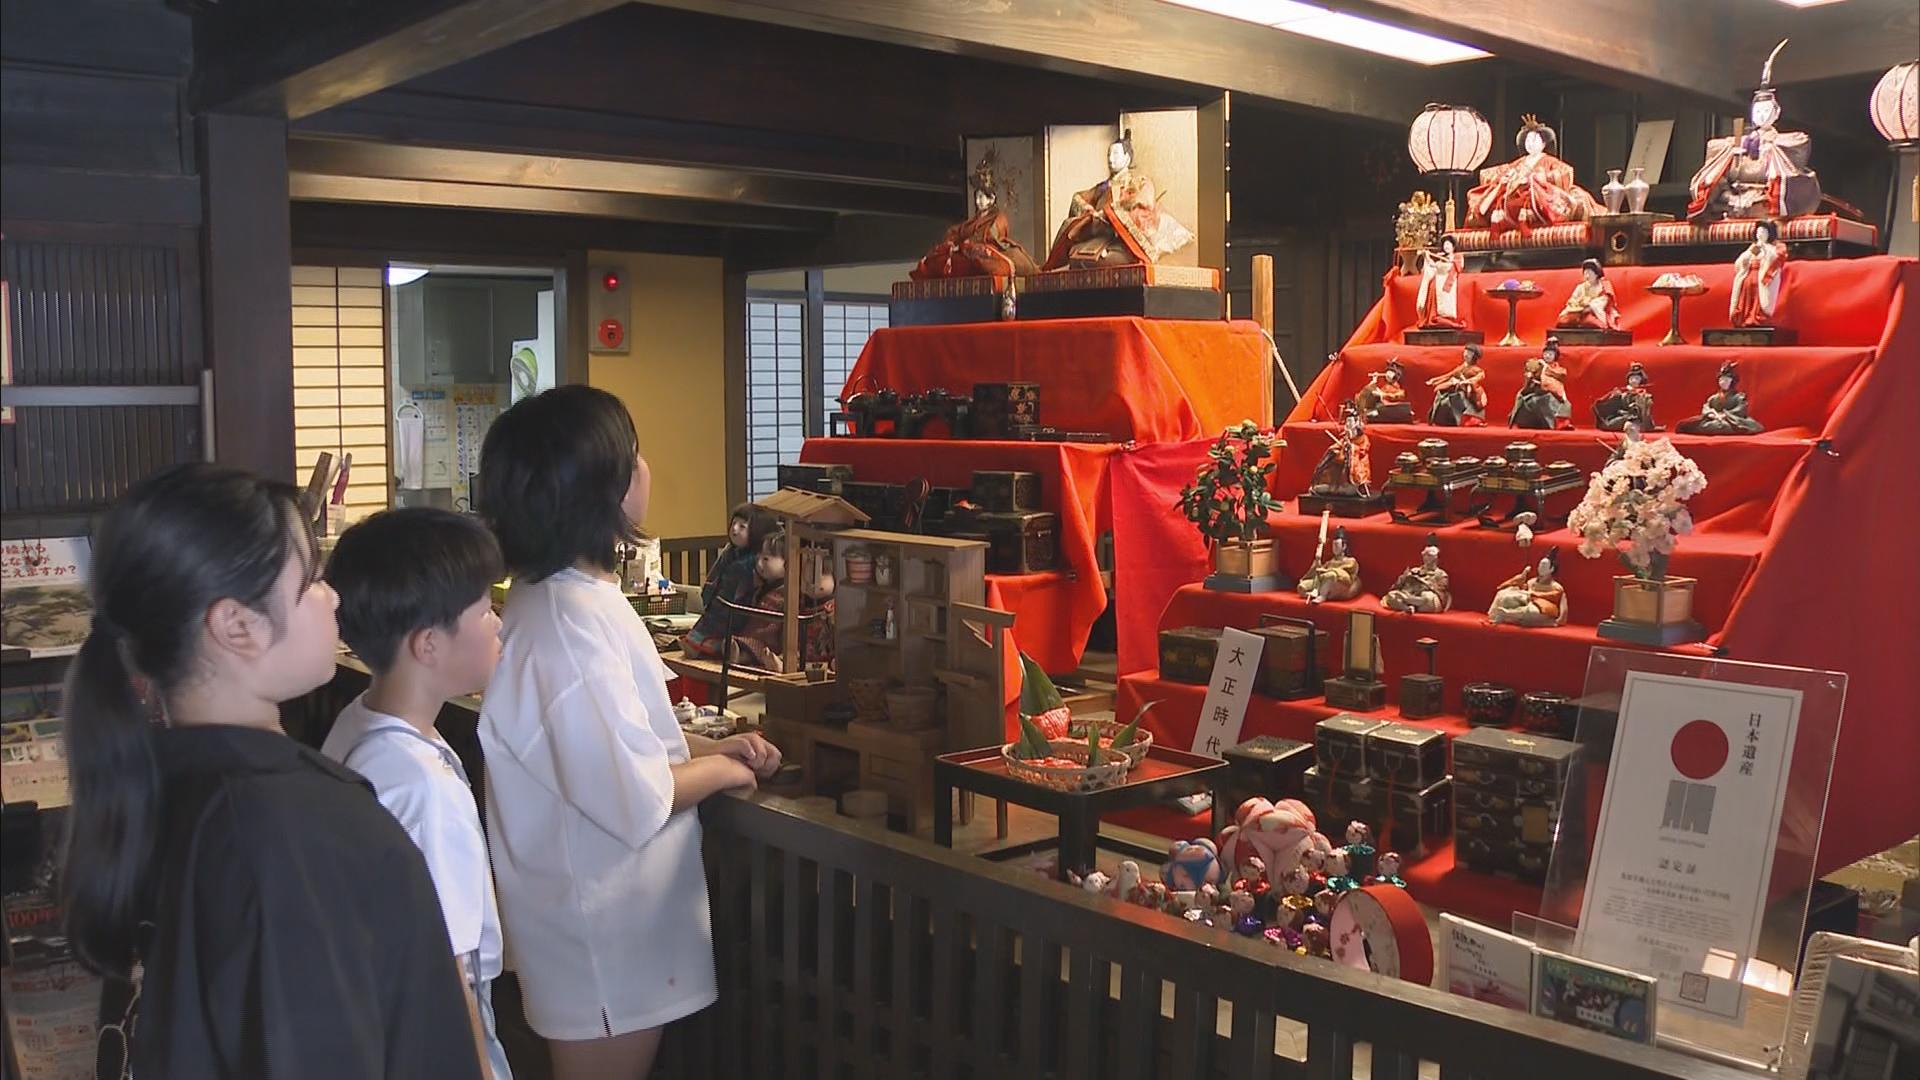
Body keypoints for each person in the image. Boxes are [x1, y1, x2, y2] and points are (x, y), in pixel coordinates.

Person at [60, 463, 482, 1079]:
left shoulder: (161, 782)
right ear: (237, 626)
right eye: (311, 581)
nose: (333, 596)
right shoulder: (292, 830)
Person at [475, 385, 783, 1080]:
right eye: (632, 455)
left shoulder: (565, 595)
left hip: (601, 916)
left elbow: (624, 737)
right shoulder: (567, 626)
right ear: (599, 490)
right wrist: (726, 769)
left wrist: (708, 746)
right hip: (598, 927)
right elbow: (634, 792)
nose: (645, 467)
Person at [321, 508, 515, 1080]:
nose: (498, 624)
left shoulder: (358, 720)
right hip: (435, 1032)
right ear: (428, 643)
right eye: (484, 610)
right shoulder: (421, 785)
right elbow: (449, 967)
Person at [1042, 129, 1194, 270]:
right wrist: (1090, 212)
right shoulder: (1102, 187)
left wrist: (1114, 211)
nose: (1110, 158)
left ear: (1127, 158)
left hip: (1121, 235)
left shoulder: (1136, 182)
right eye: (1109, 154)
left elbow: (1145, 200)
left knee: (1111, 256)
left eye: (1115, 154)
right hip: (1099, 232)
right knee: (1076, 250)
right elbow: (1080, 197)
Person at [911, 149, 1039, 280]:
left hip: (987, 251)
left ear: (991, 199)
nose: (978, 201)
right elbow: (958, 231)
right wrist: (953, 242)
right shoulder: (974, 220)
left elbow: (992, 236)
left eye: (981, 197)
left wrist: (971, 244)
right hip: (967, 251)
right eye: (976, 197)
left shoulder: (998, 217)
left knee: (985, 259)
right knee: (938, 259)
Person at [1465, 116, 1603, 234]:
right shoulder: (1519, 163)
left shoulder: (1549, 161)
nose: (1530, 143)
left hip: (1539, 194)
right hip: (1516, 194)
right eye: (1528, 140)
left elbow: (1565, 173)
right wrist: (1506, 178)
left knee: (1573, 199)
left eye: (1535, 140)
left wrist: (1540, 178)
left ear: (1543, 143)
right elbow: (1497, 172)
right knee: (1494, 199)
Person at [680, 500, 777, 662]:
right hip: (720, 600)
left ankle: (712, 648)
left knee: (724, 630)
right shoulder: (729, 552)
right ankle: (699, 645)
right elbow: (714, 577)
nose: (734, 529)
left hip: (737, 605)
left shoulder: (752, 560)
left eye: (742, 526)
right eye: (733, 523)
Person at [1730, 220, 1788, 327]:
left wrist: (1765, 249)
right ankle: (1746, 316)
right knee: (1746, 295)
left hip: (1761, 277)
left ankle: (1757, 317)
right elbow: (1742, 260)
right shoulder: (1755, 248)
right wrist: (1751, 253)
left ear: (1769, 234)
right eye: (1758, 232)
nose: (1760, 234)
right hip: (1750, 275)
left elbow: (1773, 259)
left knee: (1760, 297)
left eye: (1763, 232)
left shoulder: (1772, 248)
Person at [1426, 343, 1488, 426]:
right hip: (1457, 386)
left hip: (1468, 390)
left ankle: (1470, 417)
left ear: (1475, 357)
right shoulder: (1460, 368)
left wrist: (1467, 381)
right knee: (1442, 393)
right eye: (1465, 352)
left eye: (1469, 353)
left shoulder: (1477, 370)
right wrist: (1435, 380)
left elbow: (1479, 377)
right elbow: (1449, 375)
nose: (1466, 355)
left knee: (1467, 396)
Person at [1556, 259, 1622, 330]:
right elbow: (1573, 299)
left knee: (1590, 322)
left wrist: (1589, 307)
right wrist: (1576, 304)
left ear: (1597, 274)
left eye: (1590, 273)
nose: (1587, 276)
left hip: (1594, 313)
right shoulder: (1581, 287)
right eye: (1585, 273)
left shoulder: (1603, 286)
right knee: (1563, 320)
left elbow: (1601, 303)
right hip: (1578, 312)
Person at [1415, 235, 1465, 328]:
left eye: (1448, 244)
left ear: (1453, 246)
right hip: (1439, 280)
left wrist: (1450, 261)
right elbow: (1433, 265)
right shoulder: (1440, 257)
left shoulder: (1457, 257)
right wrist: (1427, 256)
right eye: (1445, 245)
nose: (1446, 246)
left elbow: (1456, 266)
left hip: (1450, 280)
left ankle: (1448, 317)